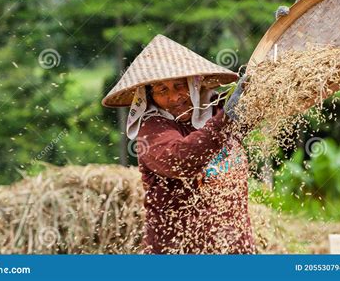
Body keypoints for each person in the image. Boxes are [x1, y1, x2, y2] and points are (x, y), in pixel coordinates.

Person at [102, 34, 254, 254]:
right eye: (162, 90)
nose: (174, 97)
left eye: (179, 85)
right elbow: (181, 160)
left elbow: (271, 102)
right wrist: (225, 120)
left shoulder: (220, 109)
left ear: (194, 83)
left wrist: (287, 39)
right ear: (149, 97)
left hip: (236, 250)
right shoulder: (152, 130)